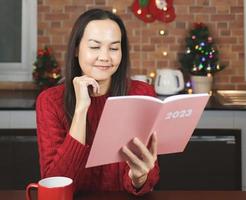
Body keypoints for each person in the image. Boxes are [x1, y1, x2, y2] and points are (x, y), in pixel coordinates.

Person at [36, 8, 159, 195]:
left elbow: (148, 177)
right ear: (76, 49)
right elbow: (55, 183)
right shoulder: (50, 101)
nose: (105, 57)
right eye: (95, 47)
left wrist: (139, 177)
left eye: (114, 48)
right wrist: (81, 109)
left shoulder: (142, 93)